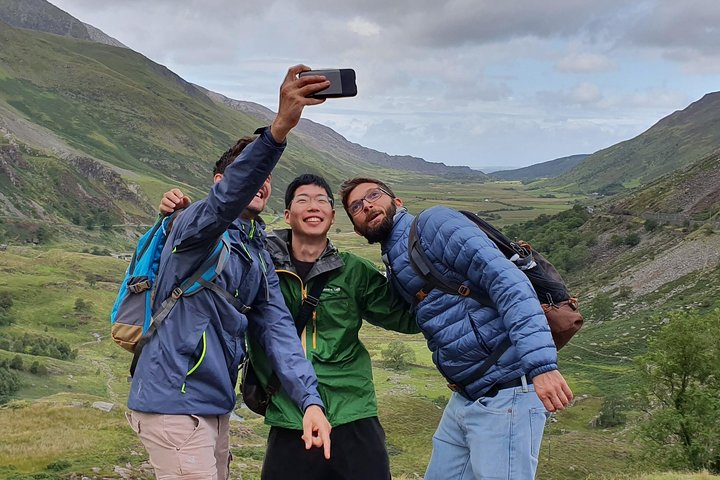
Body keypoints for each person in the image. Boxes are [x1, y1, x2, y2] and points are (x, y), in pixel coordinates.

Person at [126, 65, 333, 480]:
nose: (261, 182)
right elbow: (225, 201)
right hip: (174, 402)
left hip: (214, 406)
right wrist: (276, 132)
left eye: (267, 177)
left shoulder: (257, 252)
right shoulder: (194, 227)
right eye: (250, 173)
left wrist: (311, 402)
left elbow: (277, 331)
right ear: (223, 180)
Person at [160, 173, 420, 480]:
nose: (314, 206)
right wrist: (173, 218)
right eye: (303, 200)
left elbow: (407, 317)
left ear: (333, 216)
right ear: (287, 214)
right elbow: (201, 251)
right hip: (288, 415)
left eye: (322, 200)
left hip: (354, 413)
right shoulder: (257, 263)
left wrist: (421, 271)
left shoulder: (354, 272)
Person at [338, 177, 574, 480]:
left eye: (373, 195)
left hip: (509, 390)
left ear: (397, 202)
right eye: (356, 207)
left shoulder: (433, 224)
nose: (367, 205)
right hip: (466, 397)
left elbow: (506, 281)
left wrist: (541, 365)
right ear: (357, 227)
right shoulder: (394, 258)